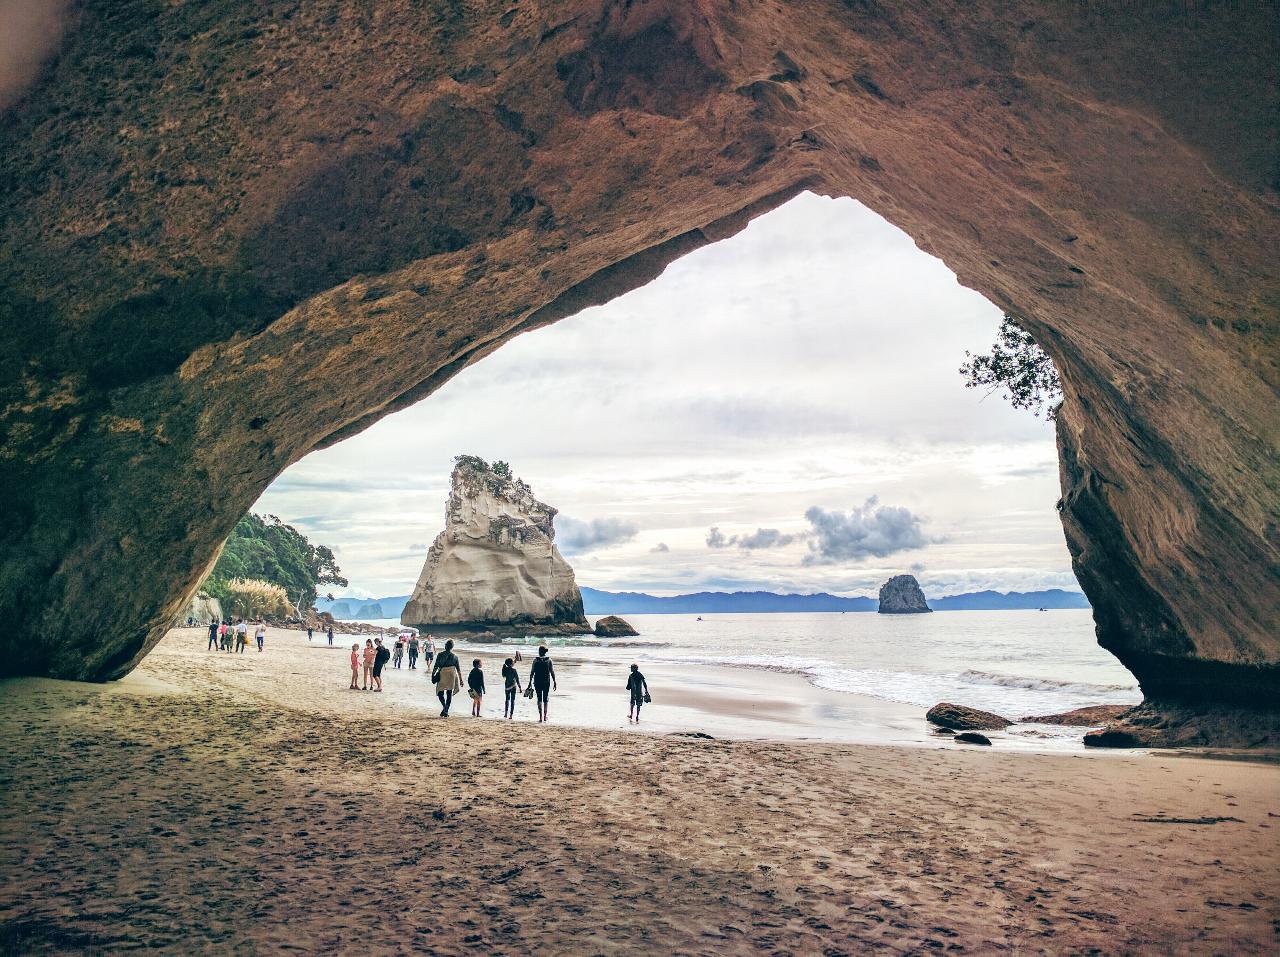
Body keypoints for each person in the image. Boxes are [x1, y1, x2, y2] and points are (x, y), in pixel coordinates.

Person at [431, 639, 462, 717]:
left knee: (440, 692)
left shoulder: (440, 655)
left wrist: (433, 674)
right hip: (452, 674)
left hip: (443, 674)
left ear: (445, 646)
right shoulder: (455, 656)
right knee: (449, 693)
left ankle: (445, 708)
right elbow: (458, 669)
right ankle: (446, 710)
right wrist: (461, 680)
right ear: (452, 647)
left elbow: (436, 665)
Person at [527, 645, 556, 723]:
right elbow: (552, 671)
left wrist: (529, 682)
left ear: (539, 652)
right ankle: (545, 716)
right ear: (545, 652)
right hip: (546, 681)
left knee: (539, 698)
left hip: (537, 681)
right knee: (545, 699)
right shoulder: (549, 660)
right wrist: (554, 681)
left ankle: (540, 717)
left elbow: (532, 672)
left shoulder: (535, 660)